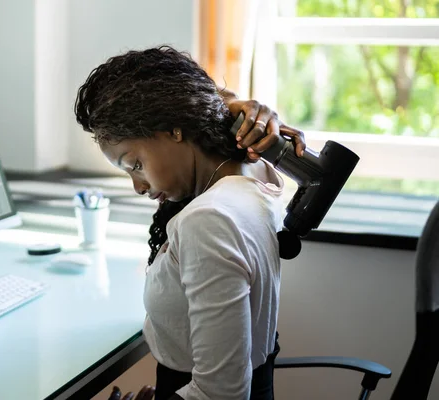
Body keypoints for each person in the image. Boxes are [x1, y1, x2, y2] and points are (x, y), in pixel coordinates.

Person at [74, 46, 305, 400]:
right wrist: (226, 106)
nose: (137, 186)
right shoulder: (254, 171)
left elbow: (221, 393)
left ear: (174, 131)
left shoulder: (208, 220)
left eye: (134, 164)